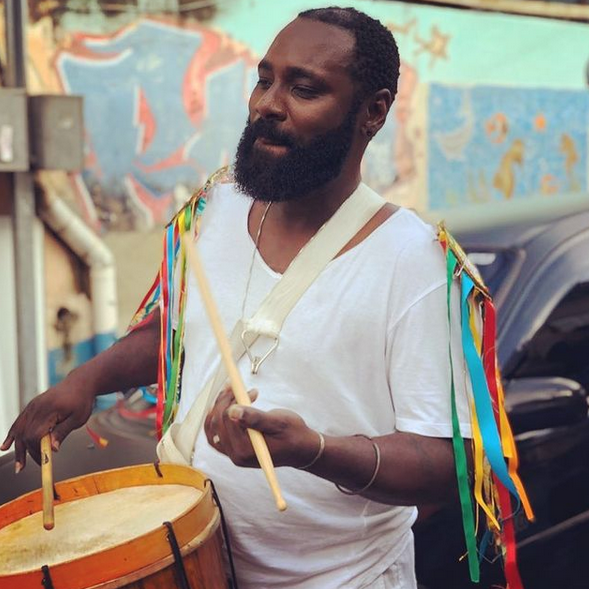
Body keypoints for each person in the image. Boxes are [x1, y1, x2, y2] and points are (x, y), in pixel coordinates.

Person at [2, 7, 518, 589]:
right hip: (193, 556)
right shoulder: (214, 210)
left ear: (372, 111)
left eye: (304, 88)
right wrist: (85, 380)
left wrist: (313, 450)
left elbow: (446, 465)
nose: (268, 105)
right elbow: (178, 330)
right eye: (264, 78)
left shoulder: (420, 264)